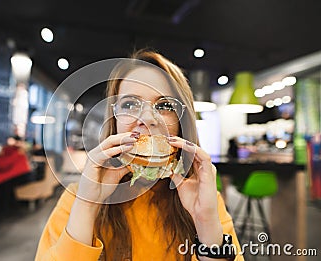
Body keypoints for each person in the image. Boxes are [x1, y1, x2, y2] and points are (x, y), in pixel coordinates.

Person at [35, 50, 243, 260]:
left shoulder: (205, 200)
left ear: (182, 125)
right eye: (130, 104)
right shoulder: (77, 198)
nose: (148, 118)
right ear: (114, 123)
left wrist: (206, 223)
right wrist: (88, 206)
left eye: (164, 106)